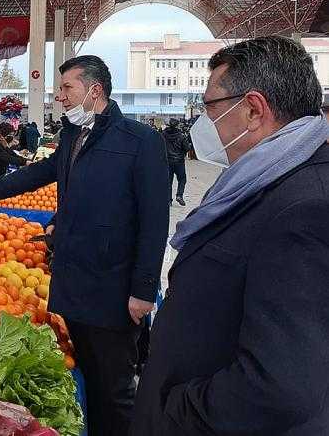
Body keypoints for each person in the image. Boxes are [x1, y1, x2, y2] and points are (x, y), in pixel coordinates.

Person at [0, 55, 169, 436]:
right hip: (73, 281)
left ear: (95, 90)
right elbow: (43, 173)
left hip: (114, 286)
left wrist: (143, 290)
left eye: (67, 88)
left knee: (117, 388)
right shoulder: (73, 135)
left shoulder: (141, 141)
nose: (60, 97)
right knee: (91, 376)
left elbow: (155, 222)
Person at [132, 36, 329, 436]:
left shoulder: (304, 207)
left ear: (253, 109)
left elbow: (279, 388)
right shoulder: (261, 179)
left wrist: (174, 412)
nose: (204, 123)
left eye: (210, 107)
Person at [162, 118, 192, 206]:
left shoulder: (163, 135)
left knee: (168, 181)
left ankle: (169, 200)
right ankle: (179, 195)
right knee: (182, 179)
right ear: (177, 125)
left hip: (167, 161)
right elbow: (187, 148)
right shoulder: (181, 136)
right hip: (179, 161)